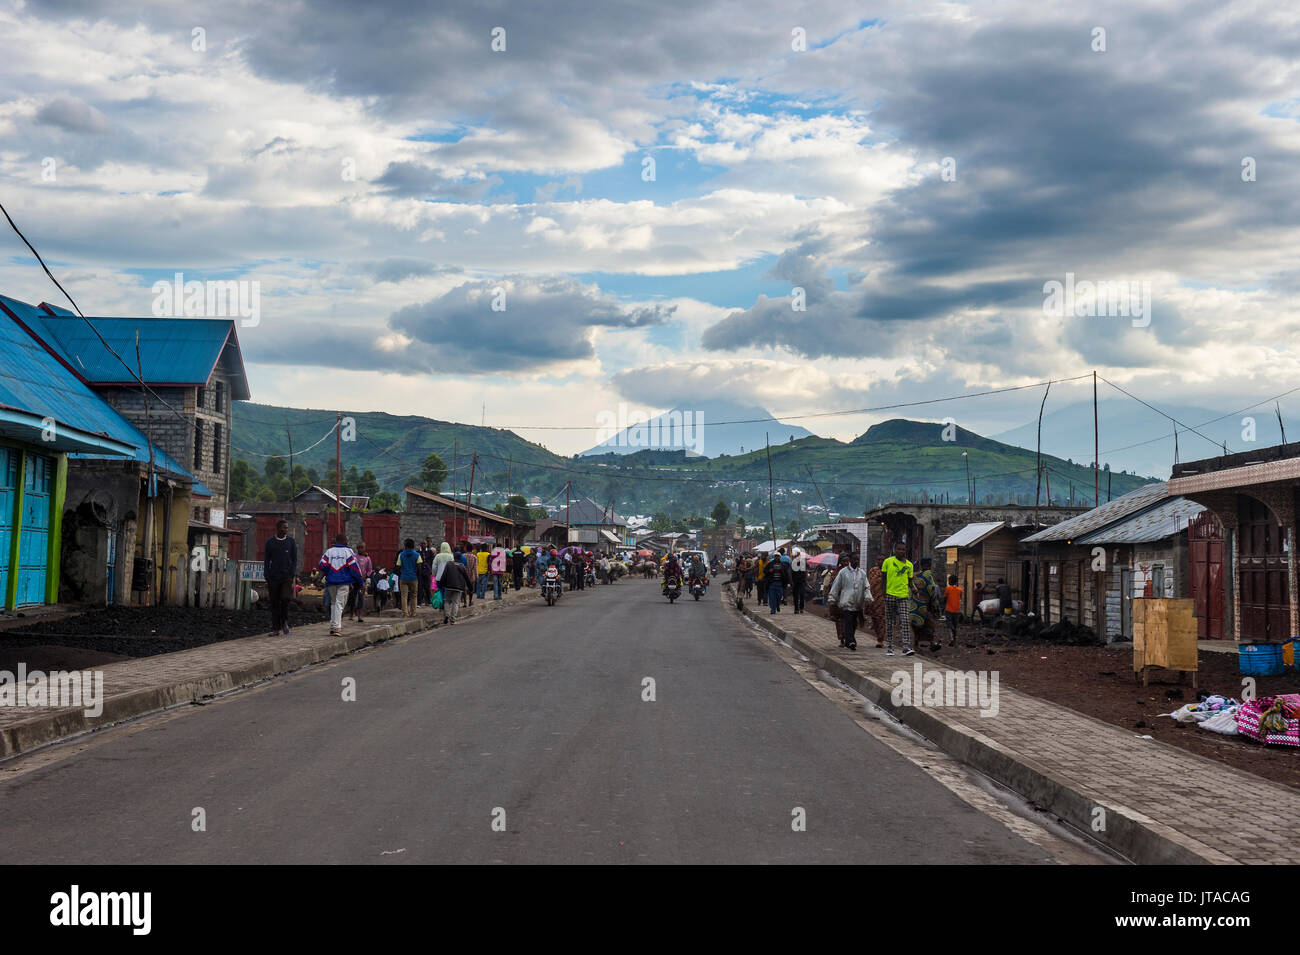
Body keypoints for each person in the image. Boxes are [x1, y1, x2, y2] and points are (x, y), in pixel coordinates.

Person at [318, 534, 365, 636]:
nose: (348, 542)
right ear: (343, 541)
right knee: (340, 604)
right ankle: (336, 628)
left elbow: (322, 565)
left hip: (330, 582)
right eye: (347, 540)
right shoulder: (348, 552)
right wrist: (360, 582)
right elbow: (355, 569)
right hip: (343, 583)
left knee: (334, 603)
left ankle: (332, 625)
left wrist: (319, 578)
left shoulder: (329, 552)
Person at [828, 552, 870, 650]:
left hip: (857, 602)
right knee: (848, 621)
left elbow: (866, 586)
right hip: (846, 602)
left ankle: (848, 641)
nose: (856, 561)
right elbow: (836, 585)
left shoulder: (862, 573)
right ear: (850, 560)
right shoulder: (843, 572)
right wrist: (832, 598)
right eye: (854, 559)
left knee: (853, 622)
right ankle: (851, 641)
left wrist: (868, 597)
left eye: (857, 559)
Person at [263, 519, 297, 636]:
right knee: (274, 603)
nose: (286, 530)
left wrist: (292, 573)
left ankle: (285, 622)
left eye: (287, 528)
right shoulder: (270, 542)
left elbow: (295, 559)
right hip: (273, 577)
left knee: (285, 598)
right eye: (284, 528)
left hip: (287, 576)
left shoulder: (291, 542)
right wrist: (267, 575)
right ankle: (276, 628)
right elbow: (267, 560)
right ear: (278, 529)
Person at [882, 542, 915, 656]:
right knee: (890, 621)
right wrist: (883, 594)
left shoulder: (909, 565)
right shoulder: (888, 562)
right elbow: (883, 579)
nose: (901, 551)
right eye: (899, 549)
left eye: (903, 549)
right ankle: (890, 646)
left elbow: (910, 581)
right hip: (890, 594)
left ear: (906, 551)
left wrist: (914, 589)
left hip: (903, 596)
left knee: (905, 620)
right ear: (895, 550)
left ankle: (906, 646)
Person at [908, 556, 942, 648]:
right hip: (925, 606)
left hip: (914, 605)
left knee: (916, 626)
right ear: (929, 565)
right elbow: (932, 591)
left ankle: (916, 642)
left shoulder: (915, 575)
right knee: (929, 625)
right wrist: (937, 608)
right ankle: (931, 643)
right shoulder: (928, 576)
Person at [439, 552, 471, 624]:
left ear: (454, 557)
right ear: (460, 559)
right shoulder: (462, 566)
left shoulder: (449, 564)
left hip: (448, 586)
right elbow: (467, 578)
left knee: (447, 601)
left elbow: (444, 575)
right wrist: (470, 588)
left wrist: (441, 584)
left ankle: (447, 614)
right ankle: (452, 620)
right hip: (458, 587)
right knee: (455, 603)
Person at [396, 538, 422, 617]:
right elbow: (419, 567)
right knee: (414, 596)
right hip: (413, 578)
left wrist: (402, 572)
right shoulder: (417, 555)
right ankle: (413, 613)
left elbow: (398, 566)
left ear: (405, 545)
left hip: (404, 577)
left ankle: (405, 613)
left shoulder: (401, 555)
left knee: (404, 596)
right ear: (413, 545)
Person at [866, 556, 887, 647]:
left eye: (882, 560)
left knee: (881, 618)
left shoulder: (887, 571)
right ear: (876, 561)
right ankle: (878, 635)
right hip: (872, 598)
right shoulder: (872, 571)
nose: (880, 561)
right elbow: (869, 583)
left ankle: (881, 639)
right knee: (874, 618)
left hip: (883, 598)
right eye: (879, 559)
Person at [350, 541, 373, 624]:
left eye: (362, 547)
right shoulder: (354, 557)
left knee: (361, 598)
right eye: (359, 547)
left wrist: (366, 575)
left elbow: (370, 570)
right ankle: (351, 614)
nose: (360, 549)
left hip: (362, 581)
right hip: (353, 580)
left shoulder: (367, 558)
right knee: (352, 597)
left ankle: (359, 615)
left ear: (364, 548)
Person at [943, 574, 963, 646]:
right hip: (957, 610)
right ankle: (954, 640)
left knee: (949, 624)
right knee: (955, 625)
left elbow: (945, 597)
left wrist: (944, 603)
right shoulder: (960, 590)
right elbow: (960, 599)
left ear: (950, 581)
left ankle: (951, 639)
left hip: (949, 609)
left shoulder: (948, 588)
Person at [790, 548, 808, 614]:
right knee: (795, 596)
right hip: (795, 581)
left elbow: (806, 571)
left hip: (802, 581)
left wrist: (806, 580)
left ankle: (801, 608)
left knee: (802, 595)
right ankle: (796, 609)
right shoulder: (793, 562)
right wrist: (791, 581)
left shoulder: (803, 562)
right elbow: (790, 572)